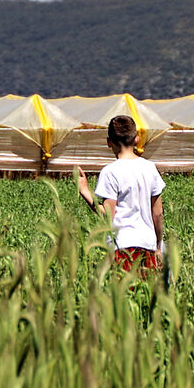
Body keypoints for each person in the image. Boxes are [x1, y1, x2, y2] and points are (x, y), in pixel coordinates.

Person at [74, 114, 165, 278]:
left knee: (124, 292)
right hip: (148, 245)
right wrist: (158, 247)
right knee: (147, 291)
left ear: (109, 142)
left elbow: (108, 215)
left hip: (122, 246)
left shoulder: (110, 172)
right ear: (137, 139)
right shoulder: (150, 168)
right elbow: (158, 213)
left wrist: (85, 191)